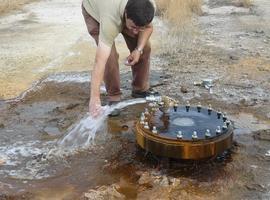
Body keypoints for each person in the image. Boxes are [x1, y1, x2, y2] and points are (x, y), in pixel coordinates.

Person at [82, 0, 156, 117]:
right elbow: (100, 61)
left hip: (122, 13)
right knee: (110, 57)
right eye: (134, 27)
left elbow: (148, 28)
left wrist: (138, 49)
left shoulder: (148, 6)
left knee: (145, 47)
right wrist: (94, 98)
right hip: (95, 11)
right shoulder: (110, 19)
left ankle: (140, 89)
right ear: (126, 14)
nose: (136, 31)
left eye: (140, 28)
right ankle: (114, 97)